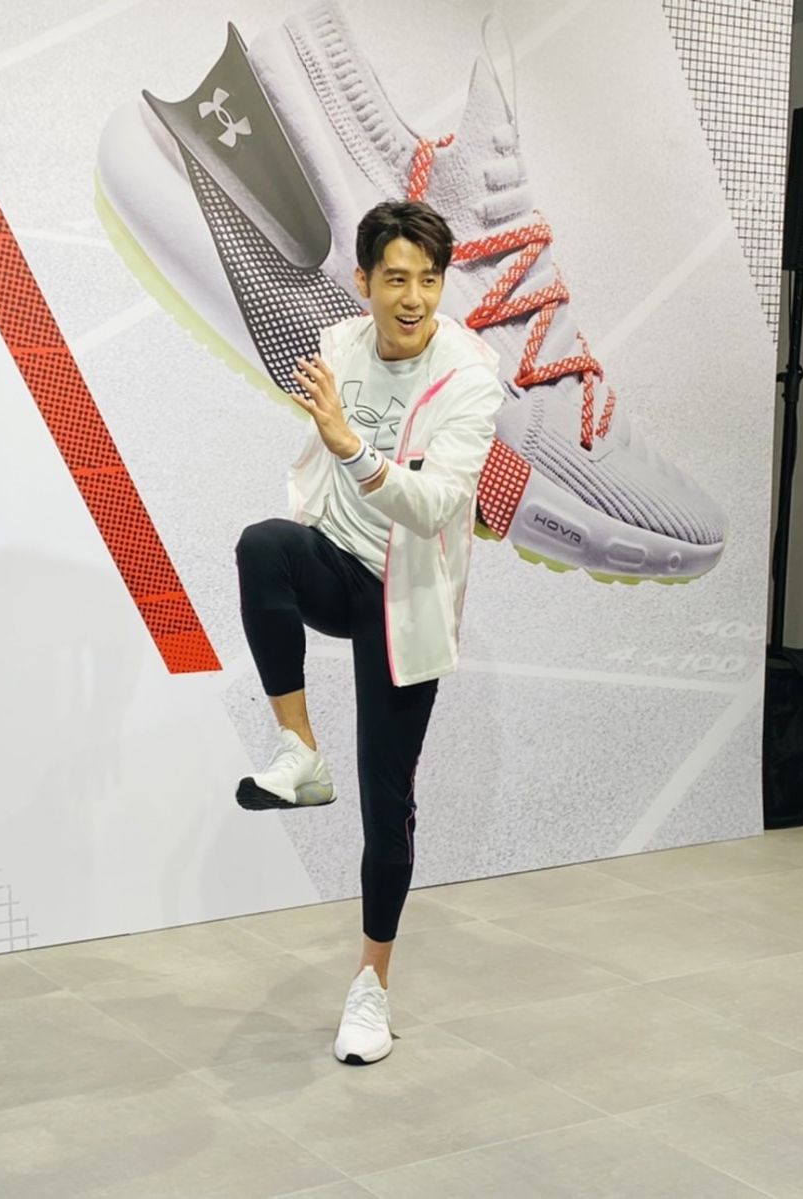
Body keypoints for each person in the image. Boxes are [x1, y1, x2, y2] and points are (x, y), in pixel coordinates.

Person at [233, 199, 503, 1064]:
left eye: (429, 280)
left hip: (402, 601)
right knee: (263, 547)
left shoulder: (471, 378)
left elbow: (436, 506)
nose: (413, 298)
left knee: (387, 805)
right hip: (337, 563)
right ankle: (299, 751)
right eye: (395, 279)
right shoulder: (343, 343)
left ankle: (371, 986)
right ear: (364, 282)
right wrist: (332, 451)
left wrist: (351, 446)